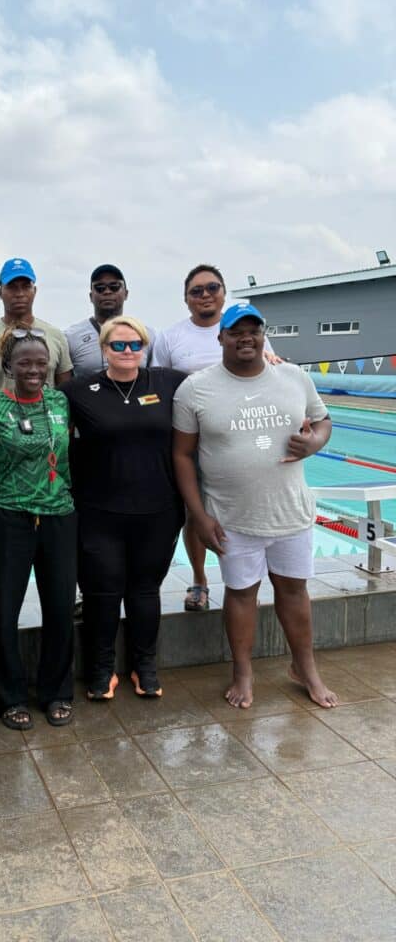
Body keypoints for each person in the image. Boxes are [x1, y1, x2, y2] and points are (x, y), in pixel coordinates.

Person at [172, 302, 338, 711]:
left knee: (294, 590)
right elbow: (182, 455)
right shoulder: (195, 389)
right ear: (221, 338)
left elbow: (323, 420)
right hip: (232, 515)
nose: (246, 338)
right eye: (236, 332)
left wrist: (315, 442)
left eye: (254, 331)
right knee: (241, 593)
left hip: (290, 510)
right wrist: (199, 515)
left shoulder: (294, 377)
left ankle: (305, 668)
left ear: (264, 336)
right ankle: (243, 673)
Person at [61, 317, 185, 701]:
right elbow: (36, 406)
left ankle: (144, 665)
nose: (127, 351)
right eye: (118, 345)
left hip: (158, 510)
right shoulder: (79, 390)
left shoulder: (168, 382)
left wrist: (269, 359)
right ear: (104, 349)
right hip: (99, 511)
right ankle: (101, 668)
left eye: (135, 344)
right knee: (102, 591)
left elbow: (220, 382)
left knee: (145, 590)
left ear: (145, 348)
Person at [0, 328, 76, 729]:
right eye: (25, 363)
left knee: (60, 607)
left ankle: (57, 692)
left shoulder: (60, 401)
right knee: (6, 609)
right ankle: (9, 696)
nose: (34, 370)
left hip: (59, 514)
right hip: (9, 515)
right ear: (8, 367)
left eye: (41, 363)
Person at [152, 264, 275, 612]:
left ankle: (244, 581)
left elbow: (271, 374)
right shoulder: (171, 338)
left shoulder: (246, 331)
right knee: (195, 512)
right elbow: (160, 386)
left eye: (212, 288)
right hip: (192, 439)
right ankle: (199, 580)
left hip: (241, 438)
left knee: (243, 507)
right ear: (186, 298)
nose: (205, 295)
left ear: (223, 292)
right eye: (196, 290)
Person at [0, 258, 73, 401]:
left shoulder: (56, 337)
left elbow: (66, 395)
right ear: (0, 292)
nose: (19, 294)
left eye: (26, 286)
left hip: (46, 415)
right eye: (12, 287)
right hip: (0, 415)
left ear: (34, 291)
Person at [64, 265, 154, 377]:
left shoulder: (146, 335)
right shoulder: (71, 337)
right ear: (91, 296)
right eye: (100, 288)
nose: (107, 292)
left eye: (114, 287)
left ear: (126, 294)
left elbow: (153, 378)